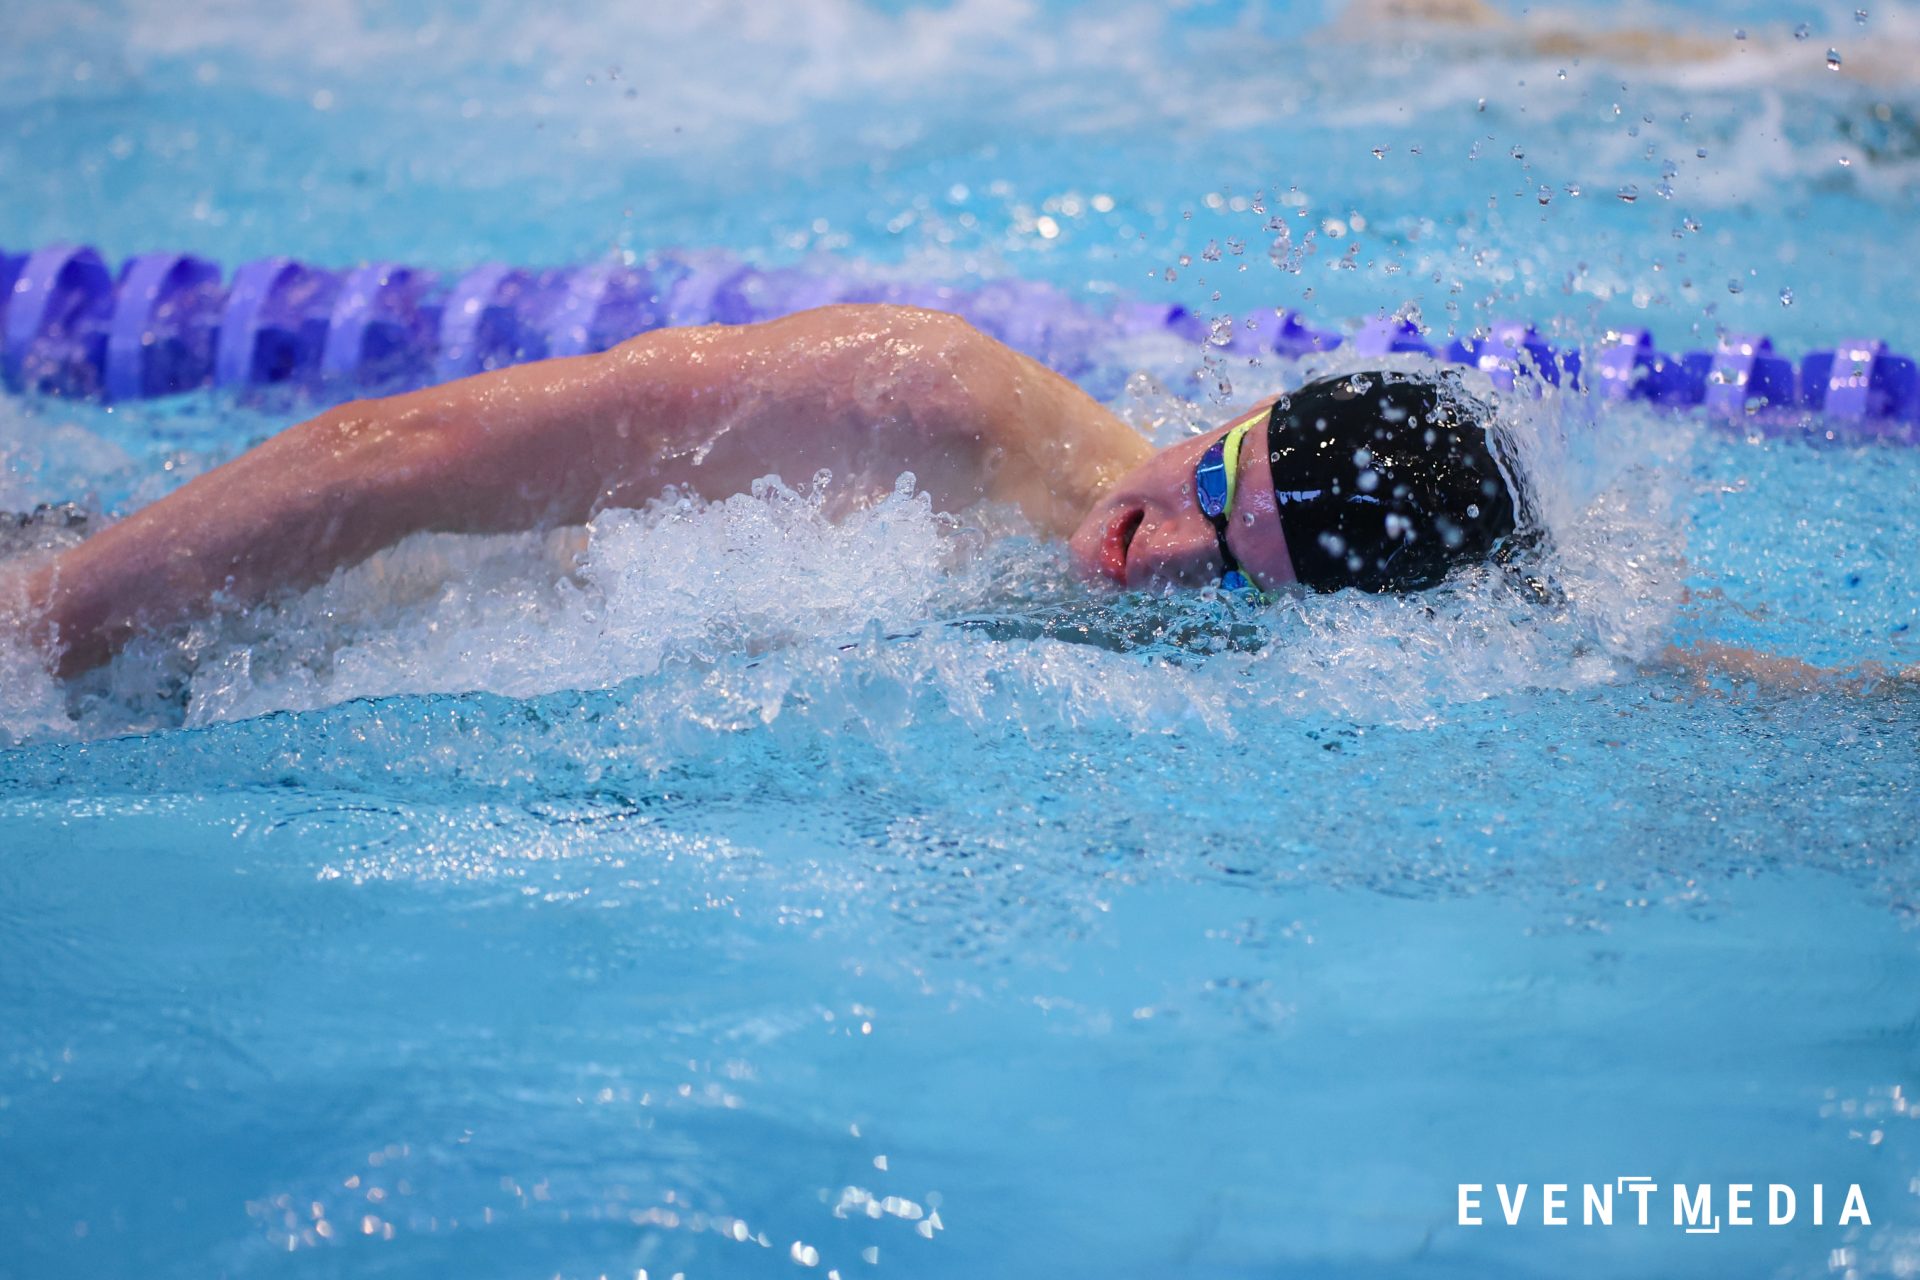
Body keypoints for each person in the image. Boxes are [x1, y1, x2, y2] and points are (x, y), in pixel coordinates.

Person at [0, 303, 1902, 692]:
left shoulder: (1311, 618)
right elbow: (406, 459)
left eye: (1230, 581)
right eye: (1201, 486)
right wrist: (49, 633)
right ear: (1236, 411)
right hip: (253, 603)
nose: (1148, 559)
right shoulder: (905, 403)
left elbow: (1590, 651)